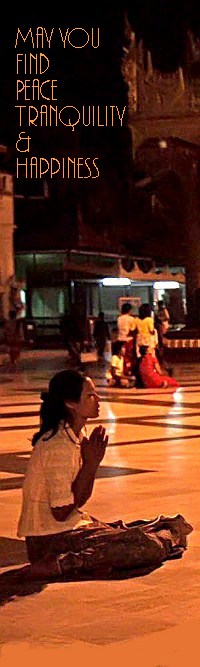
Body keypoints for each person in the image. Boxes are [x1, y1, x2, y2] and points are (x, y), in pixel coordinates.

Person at [17, 369, 191, 580]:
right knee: (148, 545)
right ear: (71, 403)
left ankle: (157, 537)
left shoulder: (76, 435)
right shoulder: (57, 445)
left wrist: (92, 464)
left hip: (67, 528)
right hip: (49, 540)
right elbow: (61, 512)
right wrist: (90, 465)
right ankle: (62, 563)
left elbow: (77, 502)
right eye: (90, 395)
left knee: (170, 526)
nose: (98, 399)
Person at [117, 302, 137, 376]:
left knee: (121, 358)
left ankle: (120, 372)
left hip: (120, 339)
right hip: (128, 340)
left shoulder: (119, 318)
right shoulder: (131, 319)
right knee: (129, 358)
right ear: (129, 310)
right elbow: (133, 330)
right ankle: (128, 372)